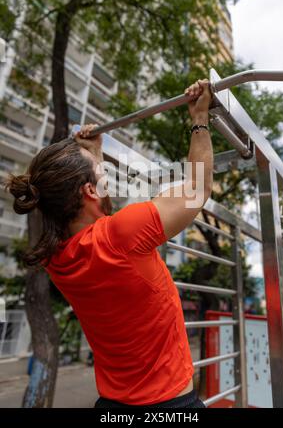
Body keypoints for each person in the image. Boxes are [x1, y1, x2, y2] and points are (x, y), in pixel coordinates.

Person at [6, 80, 213, 409]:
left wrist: (94, 156)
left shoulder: (57, 259)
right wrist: (199, 118)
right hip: (171, 406)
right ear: (89, 192)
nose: (104, 176)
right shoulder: (122, 235)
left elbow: (100, 224)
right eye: (99, 174)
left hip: (113, 407)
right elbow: (198, 188)